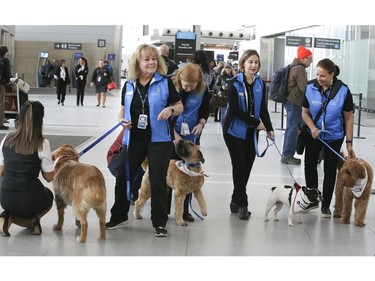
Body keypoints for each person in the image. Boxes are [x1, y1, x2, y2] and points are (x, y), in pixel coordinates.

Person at [106, 43, 183, 237]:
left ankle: (159, 222)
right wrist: (121, 121)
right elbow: (123, 109)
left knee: (157, 180)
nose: (151, 62)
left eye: (154, 59)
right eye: (146, 59)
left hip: (159, 139)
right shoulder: (129, 85)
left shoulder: (165, 82)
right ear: (137, 62)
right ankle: (119, 215)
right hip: (133, 138)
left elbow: (179, 105)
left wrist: (170, 110)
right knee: (122, 175)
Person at [223, 49, 274, 220]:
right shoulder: (233, 83)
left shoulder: (260, 84)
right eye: (250, 62)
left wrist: (269, 128)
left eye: (256, 62)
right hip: (233, 131)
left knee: (247, 167)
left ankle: (234, 200)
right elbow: (235, 110)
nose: (253, 65)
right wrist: (256, 122)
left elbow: (263, 109)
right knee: (239, 165)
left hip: (251, 132)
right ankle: (243, 204)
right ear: (243, 63)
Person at [302, 58, 355, 218]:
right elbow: (304, 112)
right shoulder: (310, 87)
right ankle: (312, 198)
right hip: (314, 134)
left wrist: (349, 143)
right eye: (317, 74)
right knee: (309, 164)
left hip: (334, 136)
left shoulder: (344, 91)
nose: (319, 78)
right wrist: (312, 128)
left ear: (332, 75)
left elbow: (349, 118)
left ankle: (325, 204)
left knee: (330, 169)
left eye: (323, 75)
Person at [0, 100, 54, 237]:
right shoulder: (42, 143)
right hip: (30, 198)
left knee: (15, 204)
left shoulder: (7, 138)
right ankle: (32, 221)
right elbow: (49, 178)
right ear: (40, 120)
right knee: (49, 196)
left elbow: (1, 171)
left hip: (5, 197)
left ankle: (8, 217)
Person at [171, 62, 210, 222]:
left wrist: (201, 124)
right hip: (171, 134)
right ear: (180, 79)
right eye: (186, 86)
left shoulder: (203, 89)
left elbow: (206, 110)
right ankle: (166, 209)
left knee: (188, 174)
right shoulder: (170, 87)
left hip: (190, 136)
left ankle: (185, 211)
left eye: (193, 86)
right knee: (172, 172)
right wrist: (173, 135)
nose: (189, 89)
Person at [281, 45, 313, 165]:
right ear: (303, 58)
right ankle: (288, 155)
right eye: (309, 58)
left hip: (289, 100)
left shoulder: (292, 66)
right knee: (293, 129)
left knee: (290, 128)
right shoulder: (299, 69)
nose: (311, 61)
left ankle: (286, 153)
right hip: (295, 102)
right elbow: (304, 88)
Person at [214, 62, 237, 127]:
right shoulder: (221, 76)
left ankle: (230, 126)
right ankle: (224, 127)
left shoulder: (234, 77)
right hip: (223, 96)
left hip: (232, 97)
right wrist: (222, 88)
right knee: (223, 113)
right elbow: (216, 85)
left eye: (229, 67)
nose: (228, 69)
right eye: (226, 67)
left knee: (231, 112)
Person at [0, 45, 11, 130]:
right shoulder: (5, 60)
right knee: (1, 104)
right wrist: (7, 82)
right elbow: (7, 74)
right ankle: (0, 123)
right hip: (1, 84)